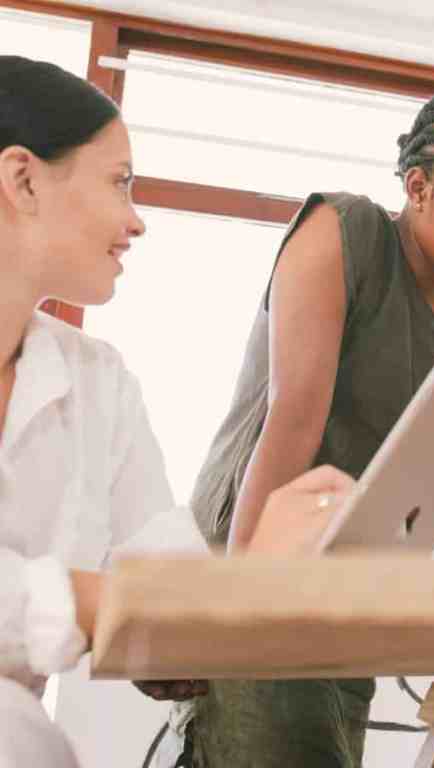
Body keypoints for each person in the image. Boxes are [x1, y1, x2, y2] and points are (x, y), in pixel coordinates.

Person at [0, 56, 355, 767]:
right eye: (119, 182)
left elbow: (169, 599)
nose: (136, 220)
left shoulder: (99, 382)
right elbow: (124, 604)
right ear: (23, 180)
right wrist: (110, 605)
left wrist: (251, 581)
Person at [181, 87, 434, 766]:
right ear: (419, 187)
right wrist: (236, 603)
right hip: (256, 547)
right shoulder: (342, 232)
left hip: (350, 574)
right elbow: (293, 421)